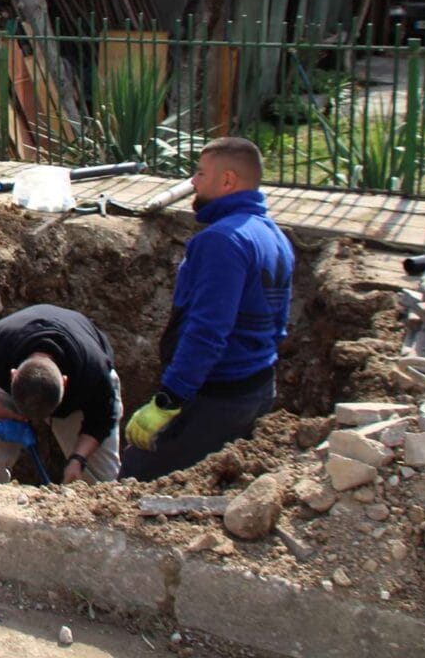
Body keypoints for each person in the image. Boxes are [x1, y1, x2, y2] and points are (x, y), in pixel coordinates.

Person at [120, 137, 294, 481]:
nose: (193, 183)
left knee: (137, 481)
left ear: (228, 180)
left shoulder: (222, 242)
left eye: (200, 173)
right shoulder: (273, 235)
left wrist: (170, 398)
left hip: (216, 397)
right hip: (257, 387)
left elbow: (207, 330)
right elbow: (279, 325)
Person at [0, 304, 123, 484]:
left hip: (78, 395)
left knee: (101, 480)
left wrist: (78, 458)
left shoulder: (93, 373)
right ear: (13, 375)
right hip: (21, 387)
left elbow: (102, 420)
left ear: (64, 382)